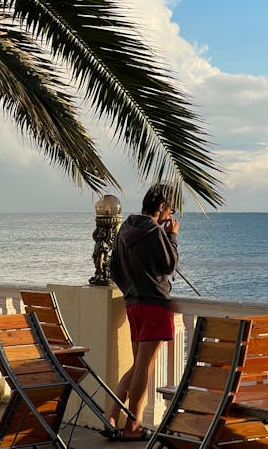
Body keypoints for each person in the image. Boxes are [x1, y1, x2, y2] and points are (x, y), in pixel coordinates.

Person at [106, 183, 179, 440]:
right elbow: (169, 264)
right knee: (144, 368)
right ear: (161, 207)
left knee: (138, 365)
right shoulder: (154, 232)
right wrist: (172, 236)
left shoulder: (126, 227)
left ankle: (112, 414)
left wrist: (131, 291)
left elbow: (113, 269)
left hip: (133, 305)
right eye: (171, 210)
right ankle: (132, 427)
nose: (171, 216)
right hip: (154, 305)